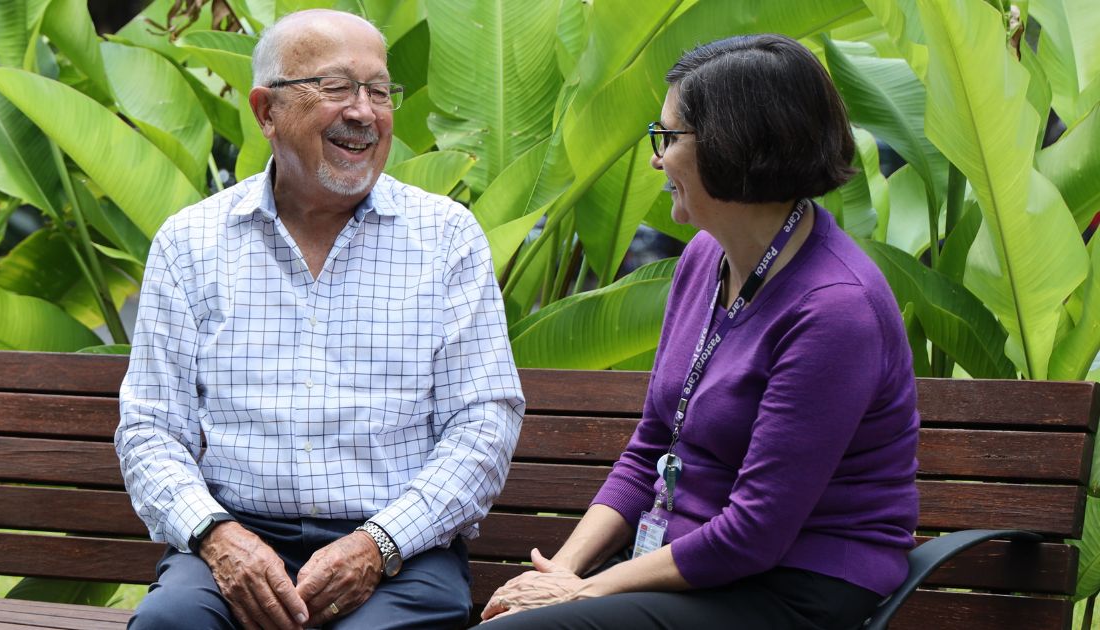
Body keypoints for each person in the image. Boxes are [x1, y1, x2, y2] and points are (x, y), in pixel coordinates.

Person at [480, 34, 919, 629]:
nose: (655, 159)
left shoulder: (835, 310)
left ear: (735, 144)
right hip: (686, 569)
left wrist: (585, 594)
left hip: (794, 586)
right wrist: (560, 571)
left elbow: (754, 533)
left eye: (667, 137)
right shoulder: (705, 258)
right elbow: (652, 446)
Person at [116, 9, 524, 630]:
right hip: (236, 540)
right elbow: (149, 426)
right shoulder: (191, 243)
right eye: (336, 88)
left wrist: (377, 544)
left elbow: (484, 423)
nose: (364, 111)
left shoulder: (447, 238)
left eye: (379, 91)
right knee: (169, 626)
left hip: (399, 554)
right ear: (265, 111)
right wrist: (217, 536)